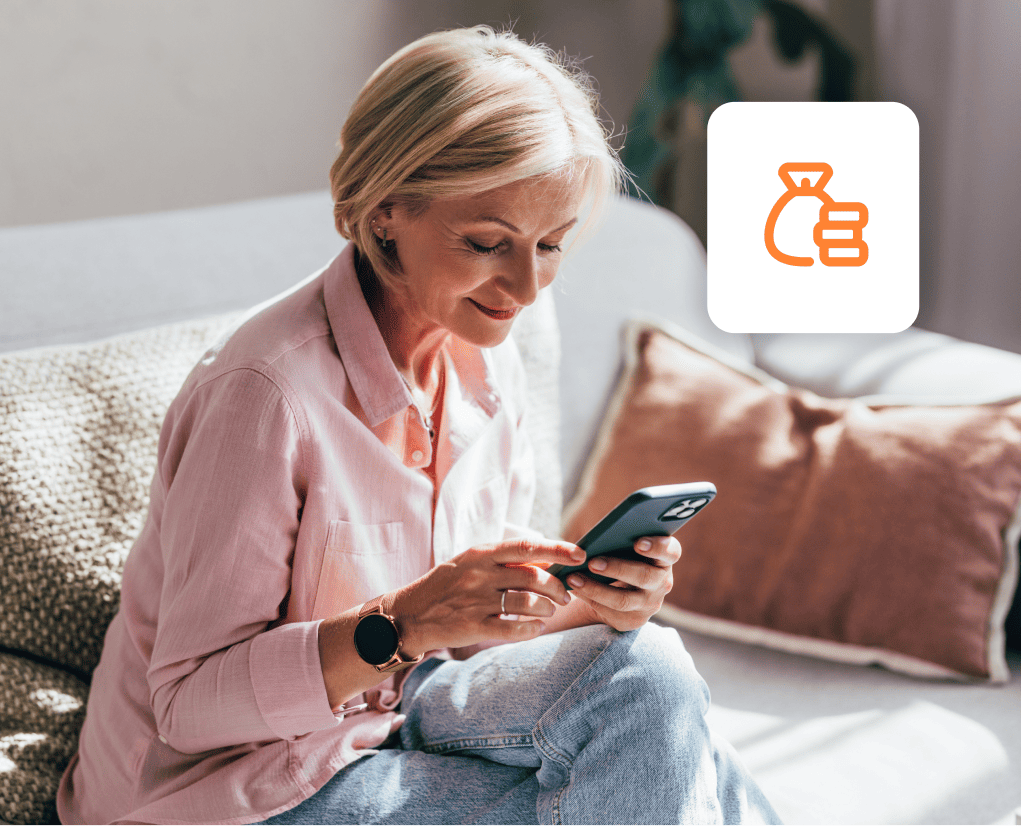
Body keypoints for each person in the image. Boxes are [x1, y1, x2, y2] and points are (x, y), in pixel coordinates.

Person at [57, 25, 780, 826]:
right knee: (653, 784)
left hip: (393, 719)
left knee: (651, 678)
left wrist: (592, 602)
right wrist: (403, 622)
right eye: (488, 243)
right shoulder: (265, 395)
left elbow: (468, 638)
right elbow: (190, 705)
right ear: (386, 207)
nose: (528, 285)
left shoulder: (486, 354)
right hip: (224, 790)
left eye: (550, 245)